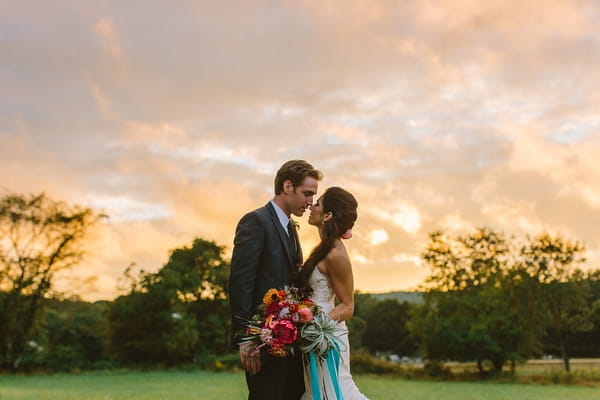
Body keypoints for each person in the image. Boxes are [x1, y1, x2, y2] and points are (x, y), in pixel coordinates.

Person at [228, 160, 323, 400]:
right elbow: (240, 283)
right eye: (307, 193)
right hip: (262, 341)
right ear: (287, 186)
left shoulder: (291, 228)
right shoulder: (256, 222)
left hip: (291, 343)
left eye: (314, 195)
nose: (311, 201)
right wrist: (246, 339)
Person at [299, 186, 369, 400]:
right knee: (319, 393)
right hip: (313, 334)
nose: (312, 205)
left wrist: (317, 327)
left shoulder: (336, 253)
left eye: (317, 203)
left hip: (327, 336)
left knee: (337, 391)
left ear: (328, 215)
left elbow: (348, 306)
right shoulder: (322, 248)